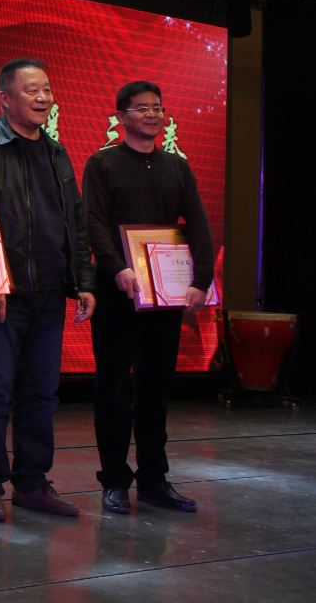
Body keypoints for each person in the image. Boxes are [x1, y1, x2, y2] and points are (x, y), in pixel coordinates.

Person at [0, 57, 95, 522]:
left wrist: (83, 281)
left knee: (42, 393)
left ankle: (33, 483)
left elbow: (74, 221)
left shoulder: (56, 152)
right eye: (31, 90)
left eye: (47, 90)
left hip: (49, 295)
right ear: (3, 99)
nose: (43, 98)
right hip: (3, 295)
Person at [84, 80, 213, 515]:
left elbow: (197, 222)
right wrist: (116, 267)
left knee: (155, 389)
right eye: (142, 108)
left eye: (157, 107)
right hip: (117, 291)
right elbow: (94, 222)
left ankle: (155, 479)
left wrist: (201, 279)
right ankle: (114, 481)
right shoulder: (102, 163)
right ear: (121, 117)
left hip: (165, 294)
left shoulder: (177, 166)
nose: (152, 115)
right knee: (113, 387)